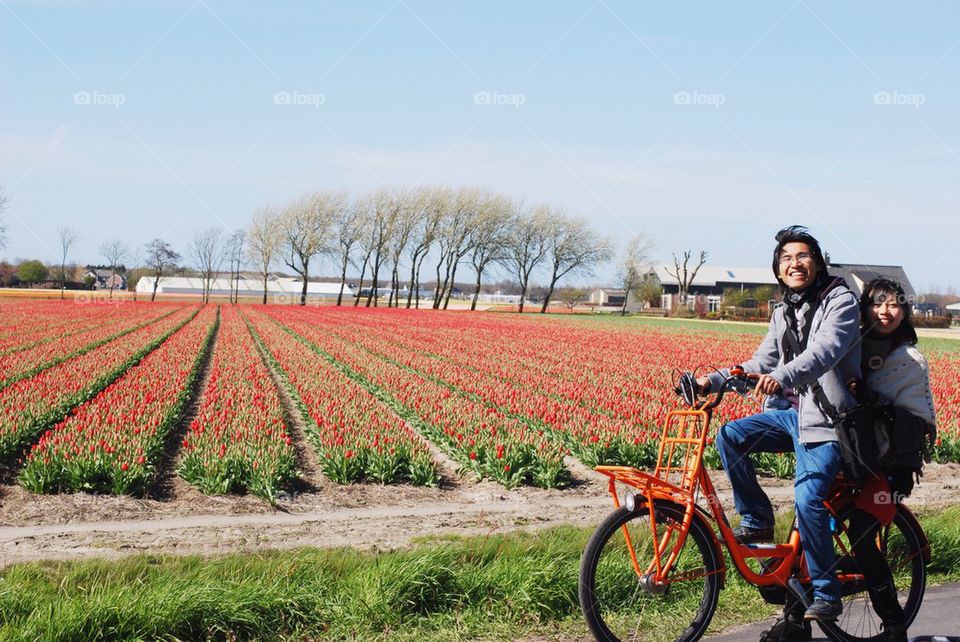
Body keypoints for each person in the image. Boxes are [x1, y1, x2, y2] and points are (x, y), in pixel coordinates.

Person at [697, 225, 861, 630]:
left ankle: (826, 592)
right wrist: (714, 379)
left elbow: (824, 352)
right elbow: (760, 361)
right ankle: (757, 520)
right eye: (786, 258)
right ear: (778, 270)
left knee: (808, 501)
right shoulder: (783, 310)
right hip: (793, 417)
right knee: (730, 435)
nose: (795, 263)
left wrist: (783, 375)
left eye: (803, 256)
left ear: (818, 263)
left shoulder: (840, 301)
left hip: (828, 423)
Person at [845, 277, 937, 642]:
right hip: (848, 456)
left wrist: (870, 397)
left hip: (887, 464)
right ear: (864, 308)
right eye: (877, 303)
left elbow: (914, 420)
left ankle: (894, 624)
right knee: (808, 529)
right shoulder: (850, 349)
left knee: (863, 536)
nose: (885, 311)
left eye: (894, 304)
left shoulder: (909, 361)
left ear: (905, 311)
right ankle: (795, 619)